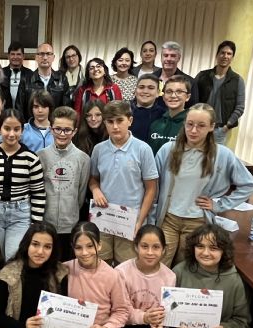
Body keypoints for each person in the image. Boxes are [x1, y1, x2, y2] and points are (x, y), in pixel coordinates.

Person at [153, 103, 253, 267]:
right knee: (160, 264)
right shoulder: (168, 150)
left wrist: (219, 205)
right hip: (168, 219)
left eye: (201, 126)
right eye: (190, 124)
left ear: (211, 127)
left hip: (197, 221)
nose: (194, 130)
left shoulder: (222, 154)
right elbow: (153, 183)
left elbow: (249, 185)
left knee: (185, 266)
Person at [0, 109, 46, 260]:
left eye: (16, 129)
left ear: (22, 130)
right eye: (7, 128)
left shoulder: (31, 159)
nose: (11, 134)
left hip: (21, 215)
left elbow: (38, 193)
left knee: (14, 258)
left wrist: (35, 224)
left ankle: (10, 285)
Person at [89, 100, 158, 266]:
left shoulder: (143, 149)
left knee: (126, 266)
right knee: (101, 264)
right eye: (110, 122)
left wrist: (140, 221)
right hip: (103, 217)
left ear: (130, 121)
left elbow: (151, 189)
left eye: (119, 121)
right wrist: (95, 190)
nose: (115, 127)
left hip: (130, 220)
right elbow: (93, 179)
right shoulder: (99, 149)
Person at [114, 224, 175, 328]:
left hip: (151, 326)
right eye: (144, 246)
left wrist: (160, 326)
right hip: (126, 326)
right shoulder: (121, 272)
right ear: (135, 247)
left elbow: (167, 312)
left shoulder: (169, 276)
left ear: (164, 250)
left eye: (156, 247)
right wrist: (144, 317)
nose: (150, 252)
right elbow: (121, 311)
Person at [38, 106, 90, 260]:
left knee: (67, 268)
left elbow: (81, 195)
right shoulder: (40, 156)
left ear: (74, 131)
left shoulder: (83, 159)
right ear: (51, 129)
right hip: (46, 224)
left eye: (67, 130)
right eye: (58, 129)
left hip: (70, 226)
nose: (62, 134)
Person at [195, 40, 245, 145]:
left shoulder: (237, 80)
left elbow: (240, 107)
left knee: (215, 160)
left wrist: (227, 126)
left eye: (229, 54)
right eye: (222, 53)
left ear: (232, 57)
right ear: (217, 55)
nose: (225, 56)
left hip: (220, 129)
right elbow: (193, 99)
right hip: (199, 126)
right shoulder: (202, 76)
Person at [19, 43, 70, 120]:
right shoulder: (26, 80)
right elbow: (20, 108)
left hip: (55, 127)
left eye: (48, 54)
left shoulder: (62, 79)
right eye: (41, 54)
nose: (45, 57)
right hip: (32, 127)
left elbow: (66, 108)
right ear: (36, 57)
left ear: (53, 57)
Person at [147, 75, 191, 155]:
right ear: (163, 97)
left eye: (179, 92)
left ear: (187, 97)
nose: (173, 96)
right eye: (169, 92)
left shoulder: (191, 126)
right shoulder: (155, 124)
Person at [154, 41, 198, 107]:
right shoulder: (151, 78)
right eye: (165, 55)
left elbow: (193, 108)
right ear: (161, 58)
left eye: (173, 56)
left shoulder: (190, 82)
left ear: (179, 58)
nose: (168, 59)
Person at [129, 73, 166, 144]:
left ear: (158, 93)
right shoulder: (124, 110)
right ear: (135, 91)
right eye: (141, 87)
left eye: (151, 88)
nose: (145, 91)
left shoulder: (163, 115)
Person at [2, 42, 33, 111]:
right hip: (4, 115)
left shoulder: (30, 74)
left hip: (24, 116)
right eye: (12, 54)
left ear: (23, 56)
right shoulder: (0, 73)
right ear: (8, 56)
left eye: (18, 54)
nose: (15, 57)